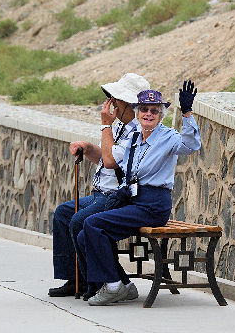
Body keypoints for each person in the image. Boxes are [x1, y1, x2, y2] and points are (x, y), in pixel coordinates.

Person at [77, 81, 200, 306]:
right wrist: (100, 132)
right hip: (133, 199)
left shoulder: (168, 136)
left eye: (154, 110)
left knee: (93, 224)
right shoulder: (134, 138)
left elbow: (190, 146)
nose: (149, 114)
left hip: (153, 204)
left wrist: (187, 113)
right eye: (144, 109)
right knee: (86, 233)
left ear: (161, 114)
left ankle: (113, 286)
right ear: (137, 112)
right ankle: (122, 285)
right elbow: (110, 158)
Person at [48, 73, 150, 299]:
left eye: (116, 100)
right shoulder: (122, 127)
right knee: (64, 213)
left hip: (116, 196)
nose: (112, 103)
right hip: (101, 193)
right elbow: (106, 156)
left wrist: (105, 126)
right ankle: (76, 279)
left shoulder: (136, 130)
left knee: (79, 221)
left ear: (127, 104)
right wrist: (88, 148)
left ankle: (107, 281)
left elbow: (112, 161)